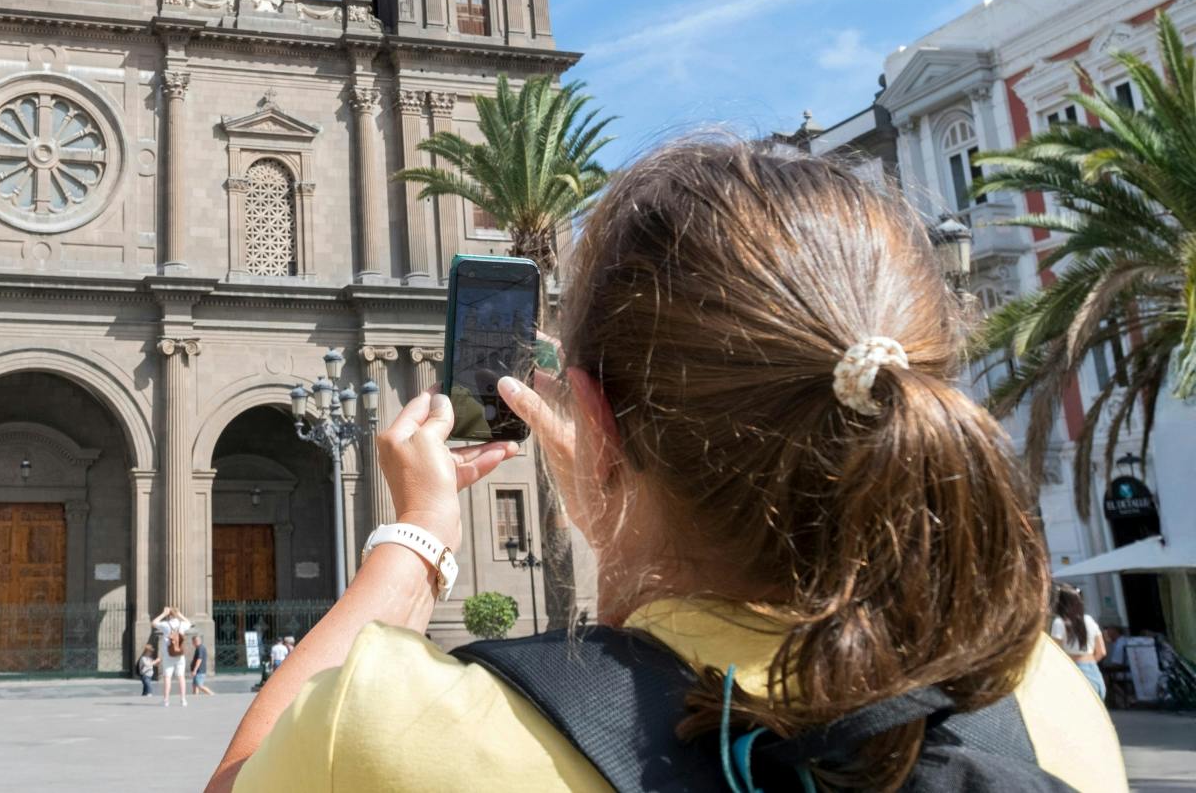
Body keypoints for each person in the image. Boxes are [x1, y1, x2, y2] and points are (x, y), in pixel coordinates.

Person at [208, 140, 1126, 792]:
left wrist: (412, 543)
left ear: (597, 425)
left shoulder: (394, 732)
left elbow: (240, 779)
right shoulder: (1039, 700)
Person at [1052, 584, 1109, 700]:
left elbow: (1054, 653)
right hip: (1094, 670)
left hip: (1073, 671)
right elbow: (1102, 652)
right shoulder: (1089, 620)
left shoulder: (1059, 622)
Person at [152, 605, 193, 708]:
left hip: (168, 655)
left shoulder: (166, 625)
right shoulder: (182, 625)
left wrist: (163, 614)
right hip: (180, 655)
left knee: (167, 678)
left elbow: (153, 623)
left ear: (169, 615)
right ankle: (183, 700)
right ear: (176, 615)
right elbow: (190, 623)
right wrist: (180, 615)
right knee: (181, 677)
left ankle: (166, 701)